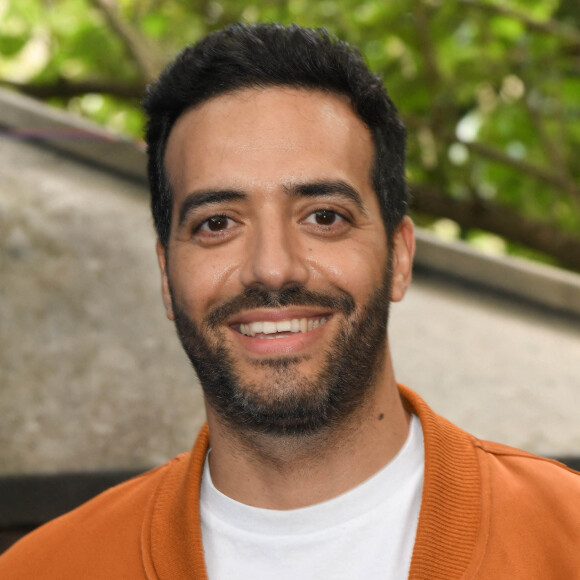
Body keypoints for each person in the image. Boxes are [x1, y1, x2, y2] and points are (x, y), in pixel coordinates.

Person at [1, 22, 579, 580]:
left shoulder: (567, 538)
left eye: (324, 217)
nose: (272, 267)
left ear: (400, 258)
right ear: (165, 275)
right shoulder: (42, 570)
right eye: (217, 222)